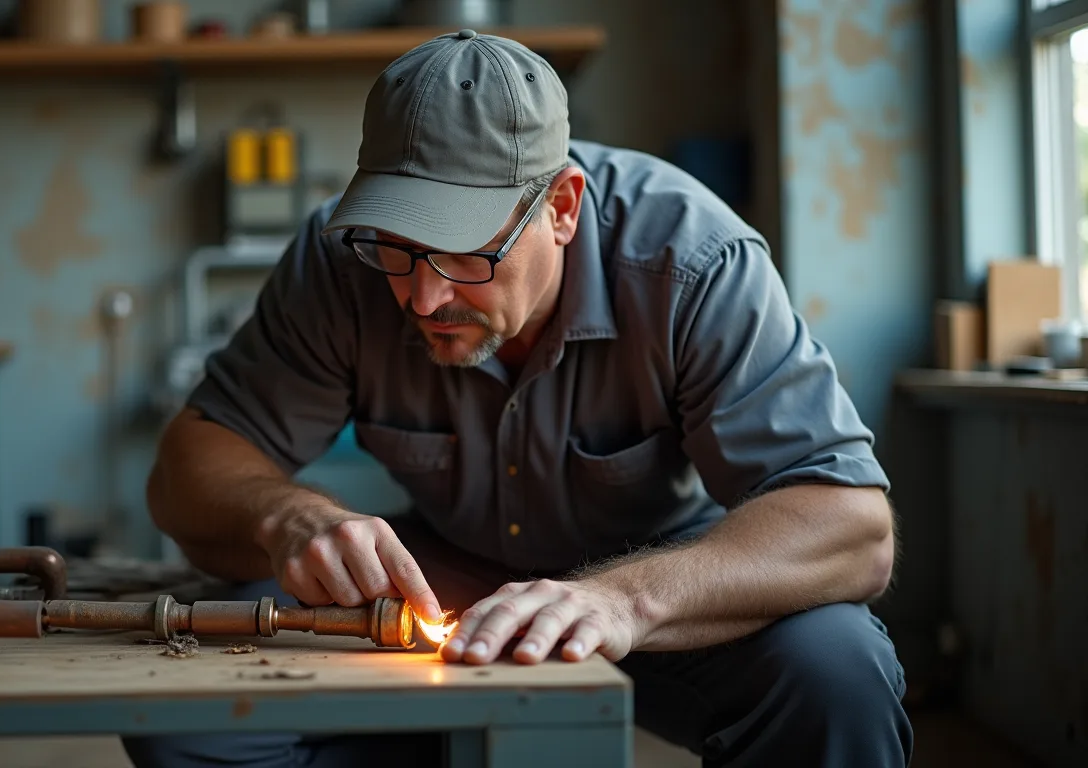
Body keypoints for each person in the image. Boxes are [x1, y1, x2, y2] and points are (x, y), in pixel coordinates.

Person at [127, 29, 912, 768]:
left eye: (465, 253)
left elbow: (851, 527)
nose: (424, 297)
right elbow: (188, 467)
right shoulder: (340, 263)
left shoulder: (694, 261)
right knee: (189, 707)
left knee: (837, 672)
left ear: (563, 207)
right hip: (438, 589)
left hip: (661, 588)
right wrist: (287, 516)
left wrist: (626, 600)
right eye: (397, 249)